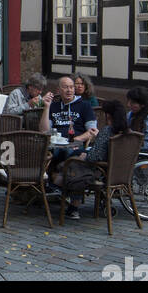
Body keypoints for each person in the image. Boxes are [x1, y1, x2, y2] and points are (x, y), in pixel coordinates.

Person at [40, 76, 99, 220]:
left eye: (71, 87)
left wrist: (79, 139)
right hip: (56, 147)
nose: (69, 90)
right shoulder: (54, 106)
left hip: (75, 146)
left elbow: (93, 130)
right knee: (46, 154)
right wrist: (46, 107)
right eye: (65, 87)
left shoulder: (84, 105)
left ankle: (71, 202)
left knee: (75, 162)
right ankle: (52, 186)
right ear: (58, 90)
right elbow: (44, 131)